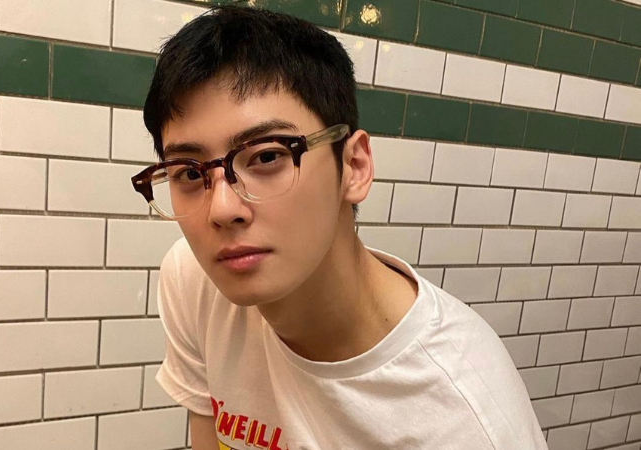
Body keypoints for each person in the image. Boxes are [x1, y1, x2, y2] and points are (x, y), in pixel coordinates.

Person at [135, 5, 548, 449]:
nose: (221, 209)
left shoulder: (461, 422)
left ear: (354, 166)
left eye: (268, 156)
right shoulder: (196, 281)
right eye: (189, 173)